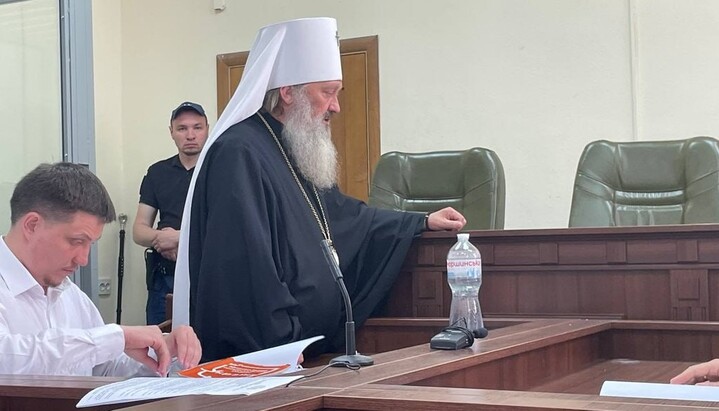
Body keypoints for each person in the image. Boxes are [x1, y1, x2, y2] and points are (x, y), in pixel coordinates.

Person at [172, 17, 466, 362]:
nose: (336, 106)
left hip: (306, 353)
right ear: (288, 93)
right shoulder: (239, 152)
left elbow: (344, 216)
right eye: (327, 92)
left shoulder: (293, 146)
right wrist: (278, 345)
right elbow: (243, 266)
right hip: (265, 357)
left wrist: (419, 221)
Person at [0, 162, 201, 376]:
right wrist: (115, 337)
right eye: (76, 241)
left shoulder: (71, 295)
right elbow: (8, 359)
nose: (84, 259)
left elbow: (106, 367)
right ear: (32, 225)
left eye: (91, 244)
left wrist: (166, 356)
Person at [133, 102, 209, 325]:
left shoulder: (219, 169)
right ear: (172, 132)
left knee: (206, 347)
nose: (190, 135)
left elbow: (226, 229)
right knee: (159, 347)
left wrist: (177, 238)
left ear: (207, 129)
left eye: (197, 127)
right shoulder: (157, 172)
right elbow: (139, 230)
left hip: (205, 274)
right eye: (182, 128)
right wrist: (161, 238)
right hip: (164, 277)